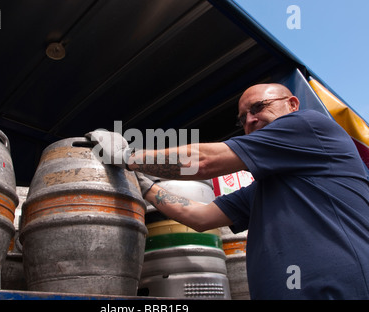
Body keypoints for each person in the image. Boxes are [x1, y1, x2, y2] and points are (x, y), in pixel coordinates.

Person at [85, 83, 369, 299]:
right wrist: (145, 186)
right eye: (242, 118)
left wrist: (128, 156)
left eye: (257, 108)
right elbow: (200, 216)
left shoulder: (309, 125)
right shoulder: (265, 188)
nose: (249, 121)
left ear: (292, 104)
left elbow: (204, 161)